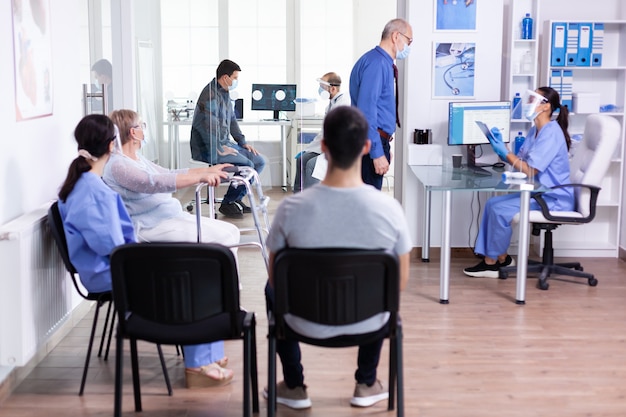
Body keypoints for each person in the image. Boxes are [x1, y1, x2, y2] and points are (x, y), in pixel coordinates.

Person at [59, 114, 234, 388]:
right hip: (109, 271)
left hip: (119, 262)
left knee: (196, 272)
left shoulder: (87, 185)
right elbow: (112, 248)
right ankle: (198, 364)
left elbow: (115, 242)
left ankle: (208, 353)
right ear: (110, 145)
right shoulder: (92, 192)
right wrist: (151, 259)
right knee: (191, 276)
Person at [263, 106, 412, 410]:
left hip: (301, 322)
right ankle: (367, 381)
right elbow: (400, 282)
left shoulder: (291, 209)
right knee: (384, 288)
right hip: (369, 322)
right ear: (367, 147)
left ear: (323, 147)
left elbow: (276, 277)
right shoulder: (389, 210)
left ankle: (293, 385)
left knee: (270, 290)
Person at [463, 86, 574, 278]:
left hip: (552, 197)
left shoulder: (551, 133)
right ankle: (502, 258)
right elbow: (520, 162)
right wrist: (501, 146)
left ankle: (491, 263)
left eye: (533, 99)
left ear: (546, 107)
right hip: (537, 192)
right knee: (492, 204)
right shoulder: (534, 131)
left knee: (499, 210)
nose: (528, 103)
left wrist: (504, 153)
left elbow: (531, 170)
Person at [190, 59, 266, 219]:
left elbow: (231, 120)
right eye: (235, 78)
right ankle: (228, 203)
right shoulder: (209, 96)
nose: (236, 81)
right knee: (248, 165)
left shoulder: (224, 92)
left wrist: (242, 142)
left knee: (259, 161)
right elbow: (207, 128)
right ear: (225, 77)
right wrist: (219, 148)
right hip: (209, 147)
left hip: (225, 143)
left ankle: (236, 198)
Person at [350, 18, 413, 190]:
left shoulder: (379, 62)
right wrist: (376, 152)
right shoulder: (377, 64)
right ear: (395, 36)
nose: (409, 46)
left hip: (374, 141)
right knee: (367, 208)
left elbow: (378, 107)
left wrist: (383, 146)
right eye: (409, 41)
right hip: (370, 144)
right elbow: (366, 112)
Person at [293, 72, 350, 193]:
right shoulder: (330, 105)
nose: (320, 90)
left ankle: (311, 202)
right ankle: (298, 198)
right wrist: (308, 149)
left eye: (322, 87)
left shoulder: (344, 104)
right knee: (302, 159)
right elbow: (323, 134)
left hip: (338, 150)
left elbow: (339, 135)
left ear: (333, 88)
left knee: (311, 165)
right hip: (326, 147)